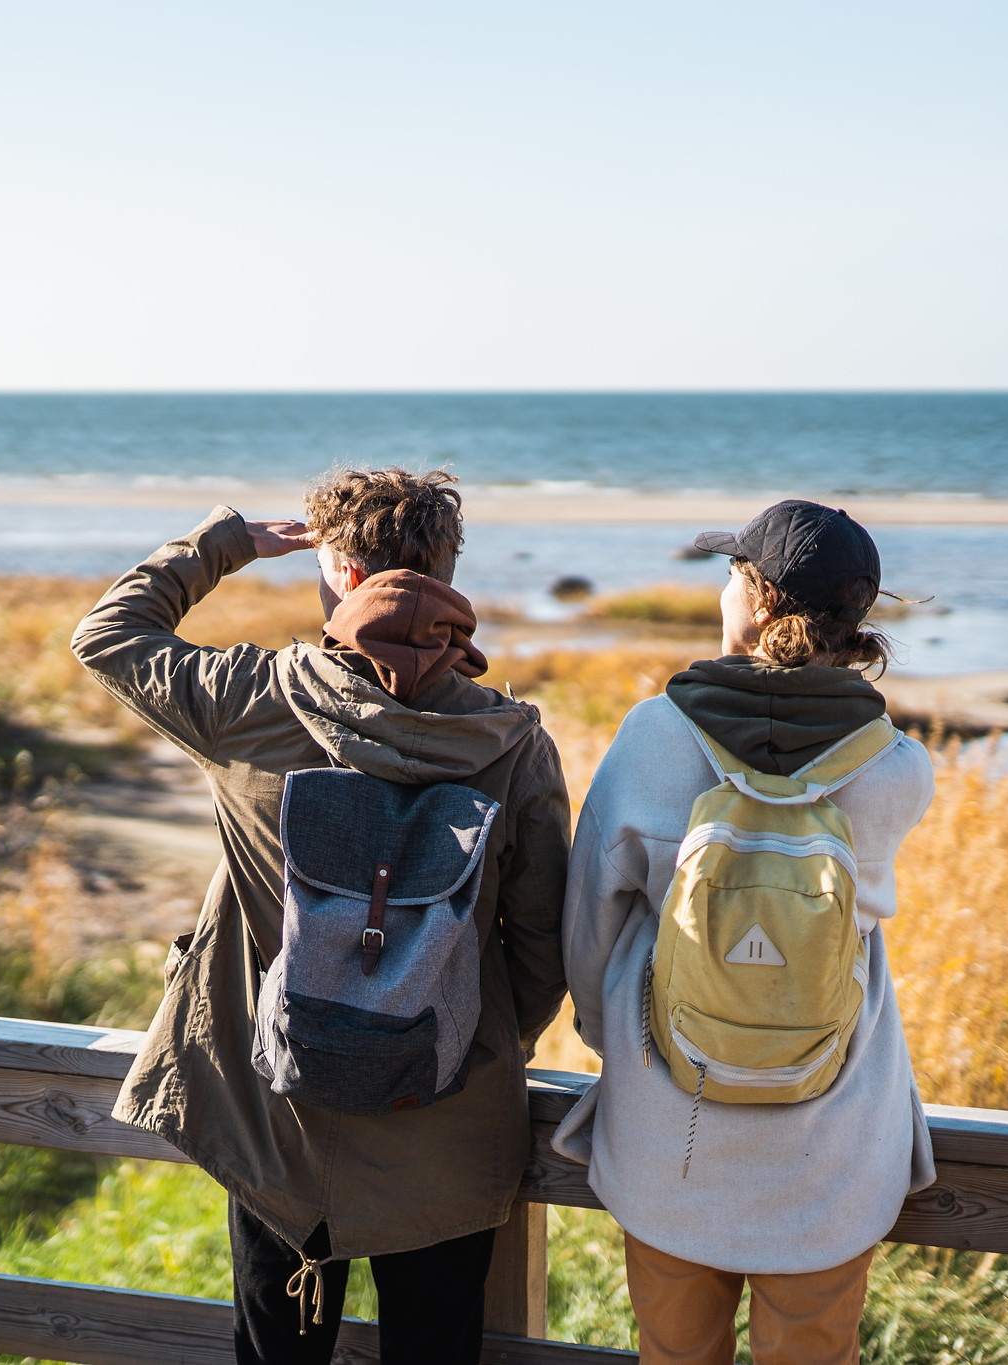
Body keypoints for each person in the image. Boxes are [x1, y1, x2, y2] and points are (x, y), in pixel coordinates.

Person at [71, 468, 571, 1365]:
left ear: (338, 568)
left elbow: (107, 634)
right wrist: (484, 1035)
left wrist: (226, 542)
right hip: (446, 1112)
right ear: (447, 571)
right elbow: (540, 942)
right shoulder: (510, 737)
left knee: (278, 1354)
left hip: (279, 1112)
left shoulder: (253, 698)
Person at [551, 500, 936, 1365]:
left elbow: (586, 920)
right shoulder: (897, 768)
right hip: (827, 1142)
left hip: (669, 1128)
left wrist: (610, 1036)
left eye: (731, 574)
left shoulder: (654, 734)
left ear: (758, 598)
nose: (722, 590)